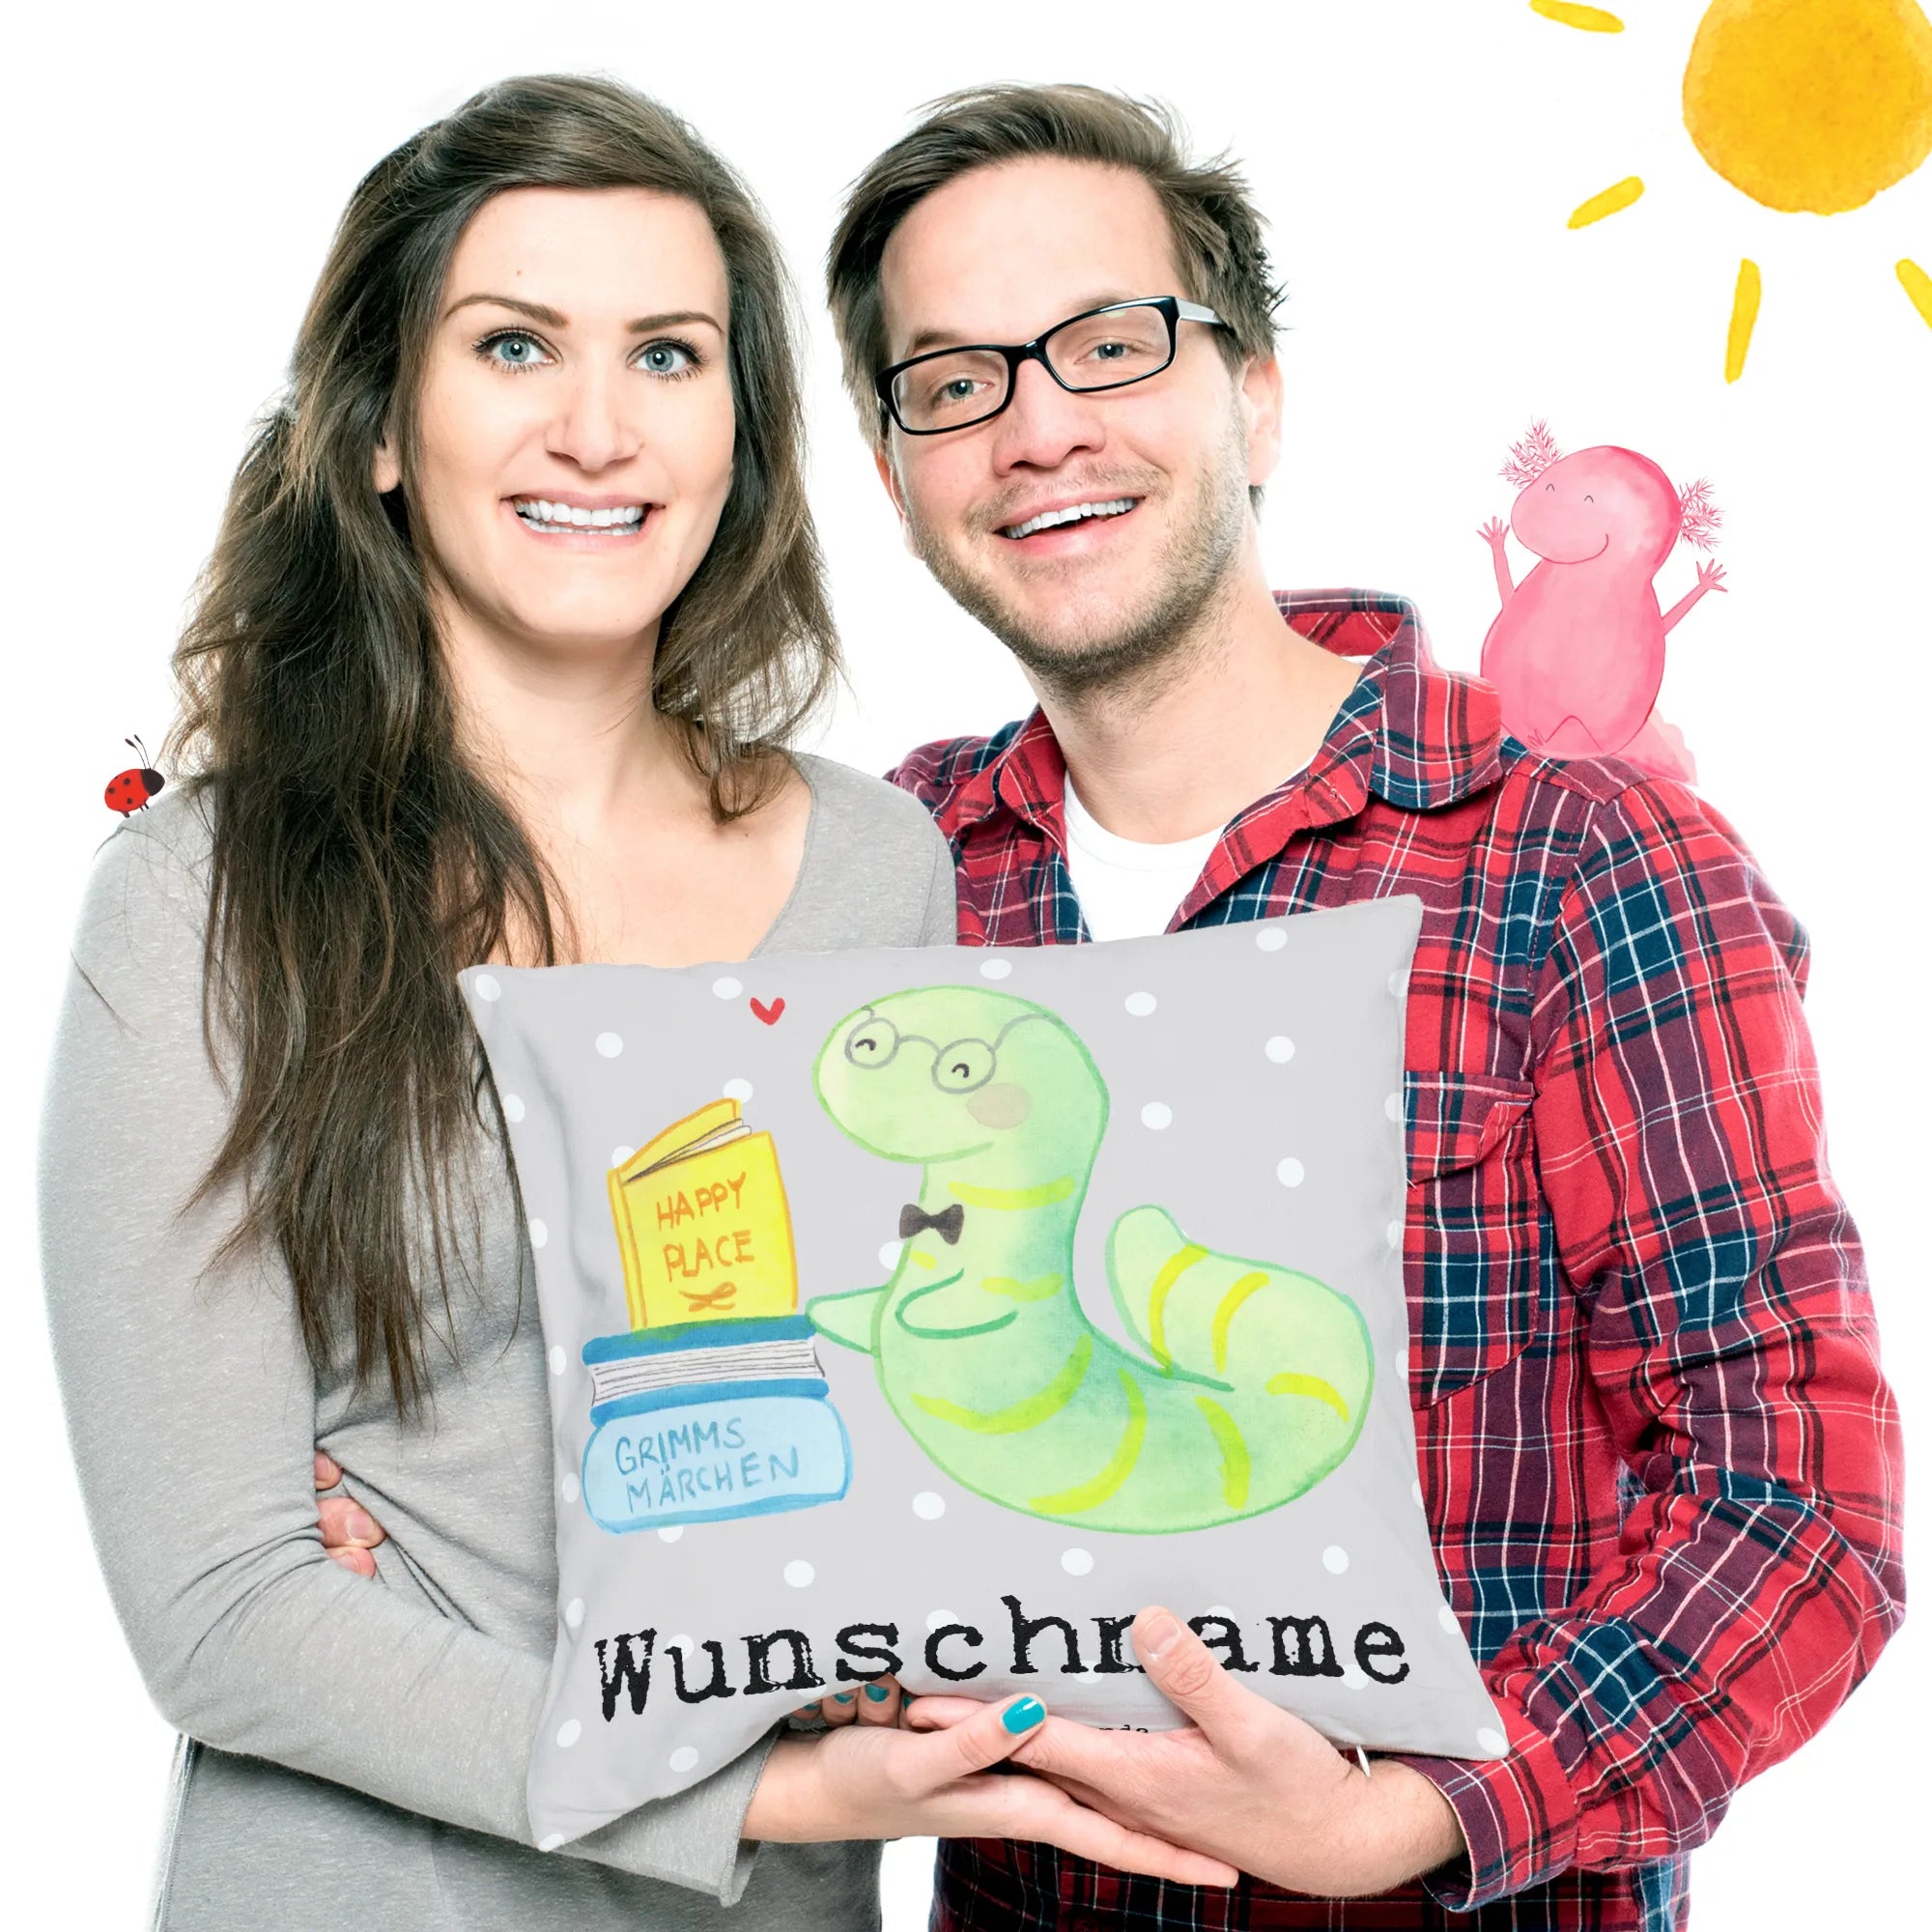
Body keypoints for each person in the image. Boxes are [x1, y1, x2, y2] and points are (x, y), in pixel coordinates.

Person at [316, 82, 1905, 1929]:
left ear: (1257, 394)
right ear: (897, 474)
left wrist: (1411, 1815)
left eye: (1110, 342)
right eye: (954, 381)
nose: (1039, 427)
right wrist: (426, 1511)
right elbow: (752, 1379)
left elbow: (1803, 1515)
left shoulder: (1582, 864)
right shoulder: (878, 877)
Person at [39, 74, 1236, 1932]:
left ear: (740, 433)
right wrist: (763, 1783)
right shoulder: (203, 898)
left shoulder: (881, 869)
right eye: (514, 344)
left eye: (668, 355)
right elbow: (219, 1612)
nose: (597, 430)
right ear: (380, 425)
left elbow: (909, 1435)